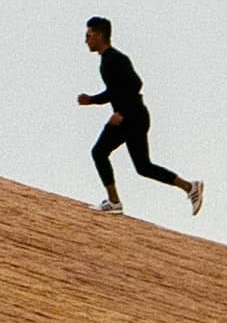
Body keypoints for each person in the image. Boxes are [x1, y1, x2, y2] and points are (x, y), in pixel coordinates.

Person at [78, 18, 203, 217]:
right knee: (143, 166)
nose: (86, 40)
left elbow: (136, 84)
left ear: (100, 35)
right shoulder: (107, 60)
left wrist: (122, 113)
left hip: (131, 116)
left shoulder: (114, 59)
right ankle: (190, 187)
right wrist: (92, 100)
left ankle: (114, 202)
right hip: (136, 116)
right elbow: (114, 91)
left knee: (99, 152)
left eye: (88, 35)